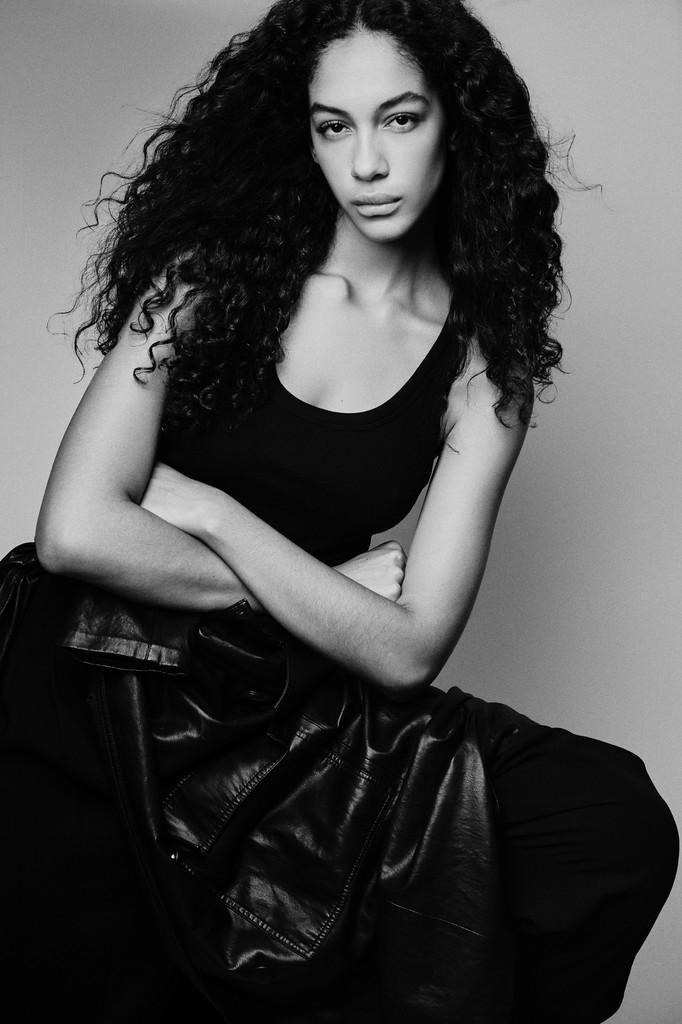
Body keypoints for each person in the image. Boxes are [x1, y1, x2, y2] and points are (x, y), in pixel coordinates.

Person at [0, 1, 677, 1022]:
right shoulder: (204, 281)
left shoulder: (482, 368)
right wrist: (326, 594)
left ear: (455, 123)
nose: (366, 163)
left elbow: (407, 652)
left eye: (399, 118)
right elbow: (77, 534)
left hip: (287, 703)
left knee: (605, 821)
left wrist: (212, 511)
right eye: (334, 126)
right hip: (100, 676)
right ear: (302, 137)